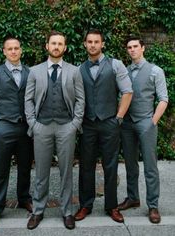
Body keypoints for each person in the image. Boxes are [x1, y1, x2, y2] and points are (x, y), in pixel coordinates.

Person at [25, 30, 85, 230]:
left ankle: (67, 212)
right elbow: (28, 100)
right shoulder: (34, 71)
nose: (56, 46)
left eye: (60, 43)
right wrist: (33, 124)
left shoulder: (74, 71)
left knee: (66, 171)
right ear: (47, 46)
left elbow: (80, 100)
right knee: (41, 172)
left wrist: (74, 124)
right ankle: (38, 211)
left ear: (65, 47)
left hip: (65, 127)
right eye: (53, 43)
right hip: (42, 127)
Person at [74, 29, 133, 223]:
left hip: (109, 122)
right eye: (89, 42)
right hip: (87, 124)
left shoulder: (116, 64)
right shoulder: (79, 69)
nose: (93, 45)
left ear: (102, 44)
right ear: (85, 44)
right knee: (86, 166)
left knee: (111, 165)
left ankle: (112, 206)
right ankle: (85, 205)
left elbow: (127, 92)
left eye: (96, 42)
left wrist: (118, 117)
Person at [0, 36, 33, 229]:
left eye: (16, 48)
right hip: (4, 126)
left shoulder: (30, 72)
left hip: (25, 128)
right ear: (4, 51)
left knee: (25, 167)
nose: (13, 51)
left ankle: (24, 198)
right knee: (0, 170)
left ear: (21, 50)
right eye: (9, 49)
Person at [118, 36, 168, 224]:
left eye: (135, 46)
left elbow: (163, 98)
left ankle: (153, 205)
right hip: (128, 124)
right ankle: (133, 198)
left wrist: (153, 121)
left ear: (143, 48)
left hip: (146, 122)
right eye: (129, 47)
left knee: (150, 166)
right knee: (130, 164)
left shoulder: (156, 71)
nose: (132, 50)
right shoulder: (124, 71)